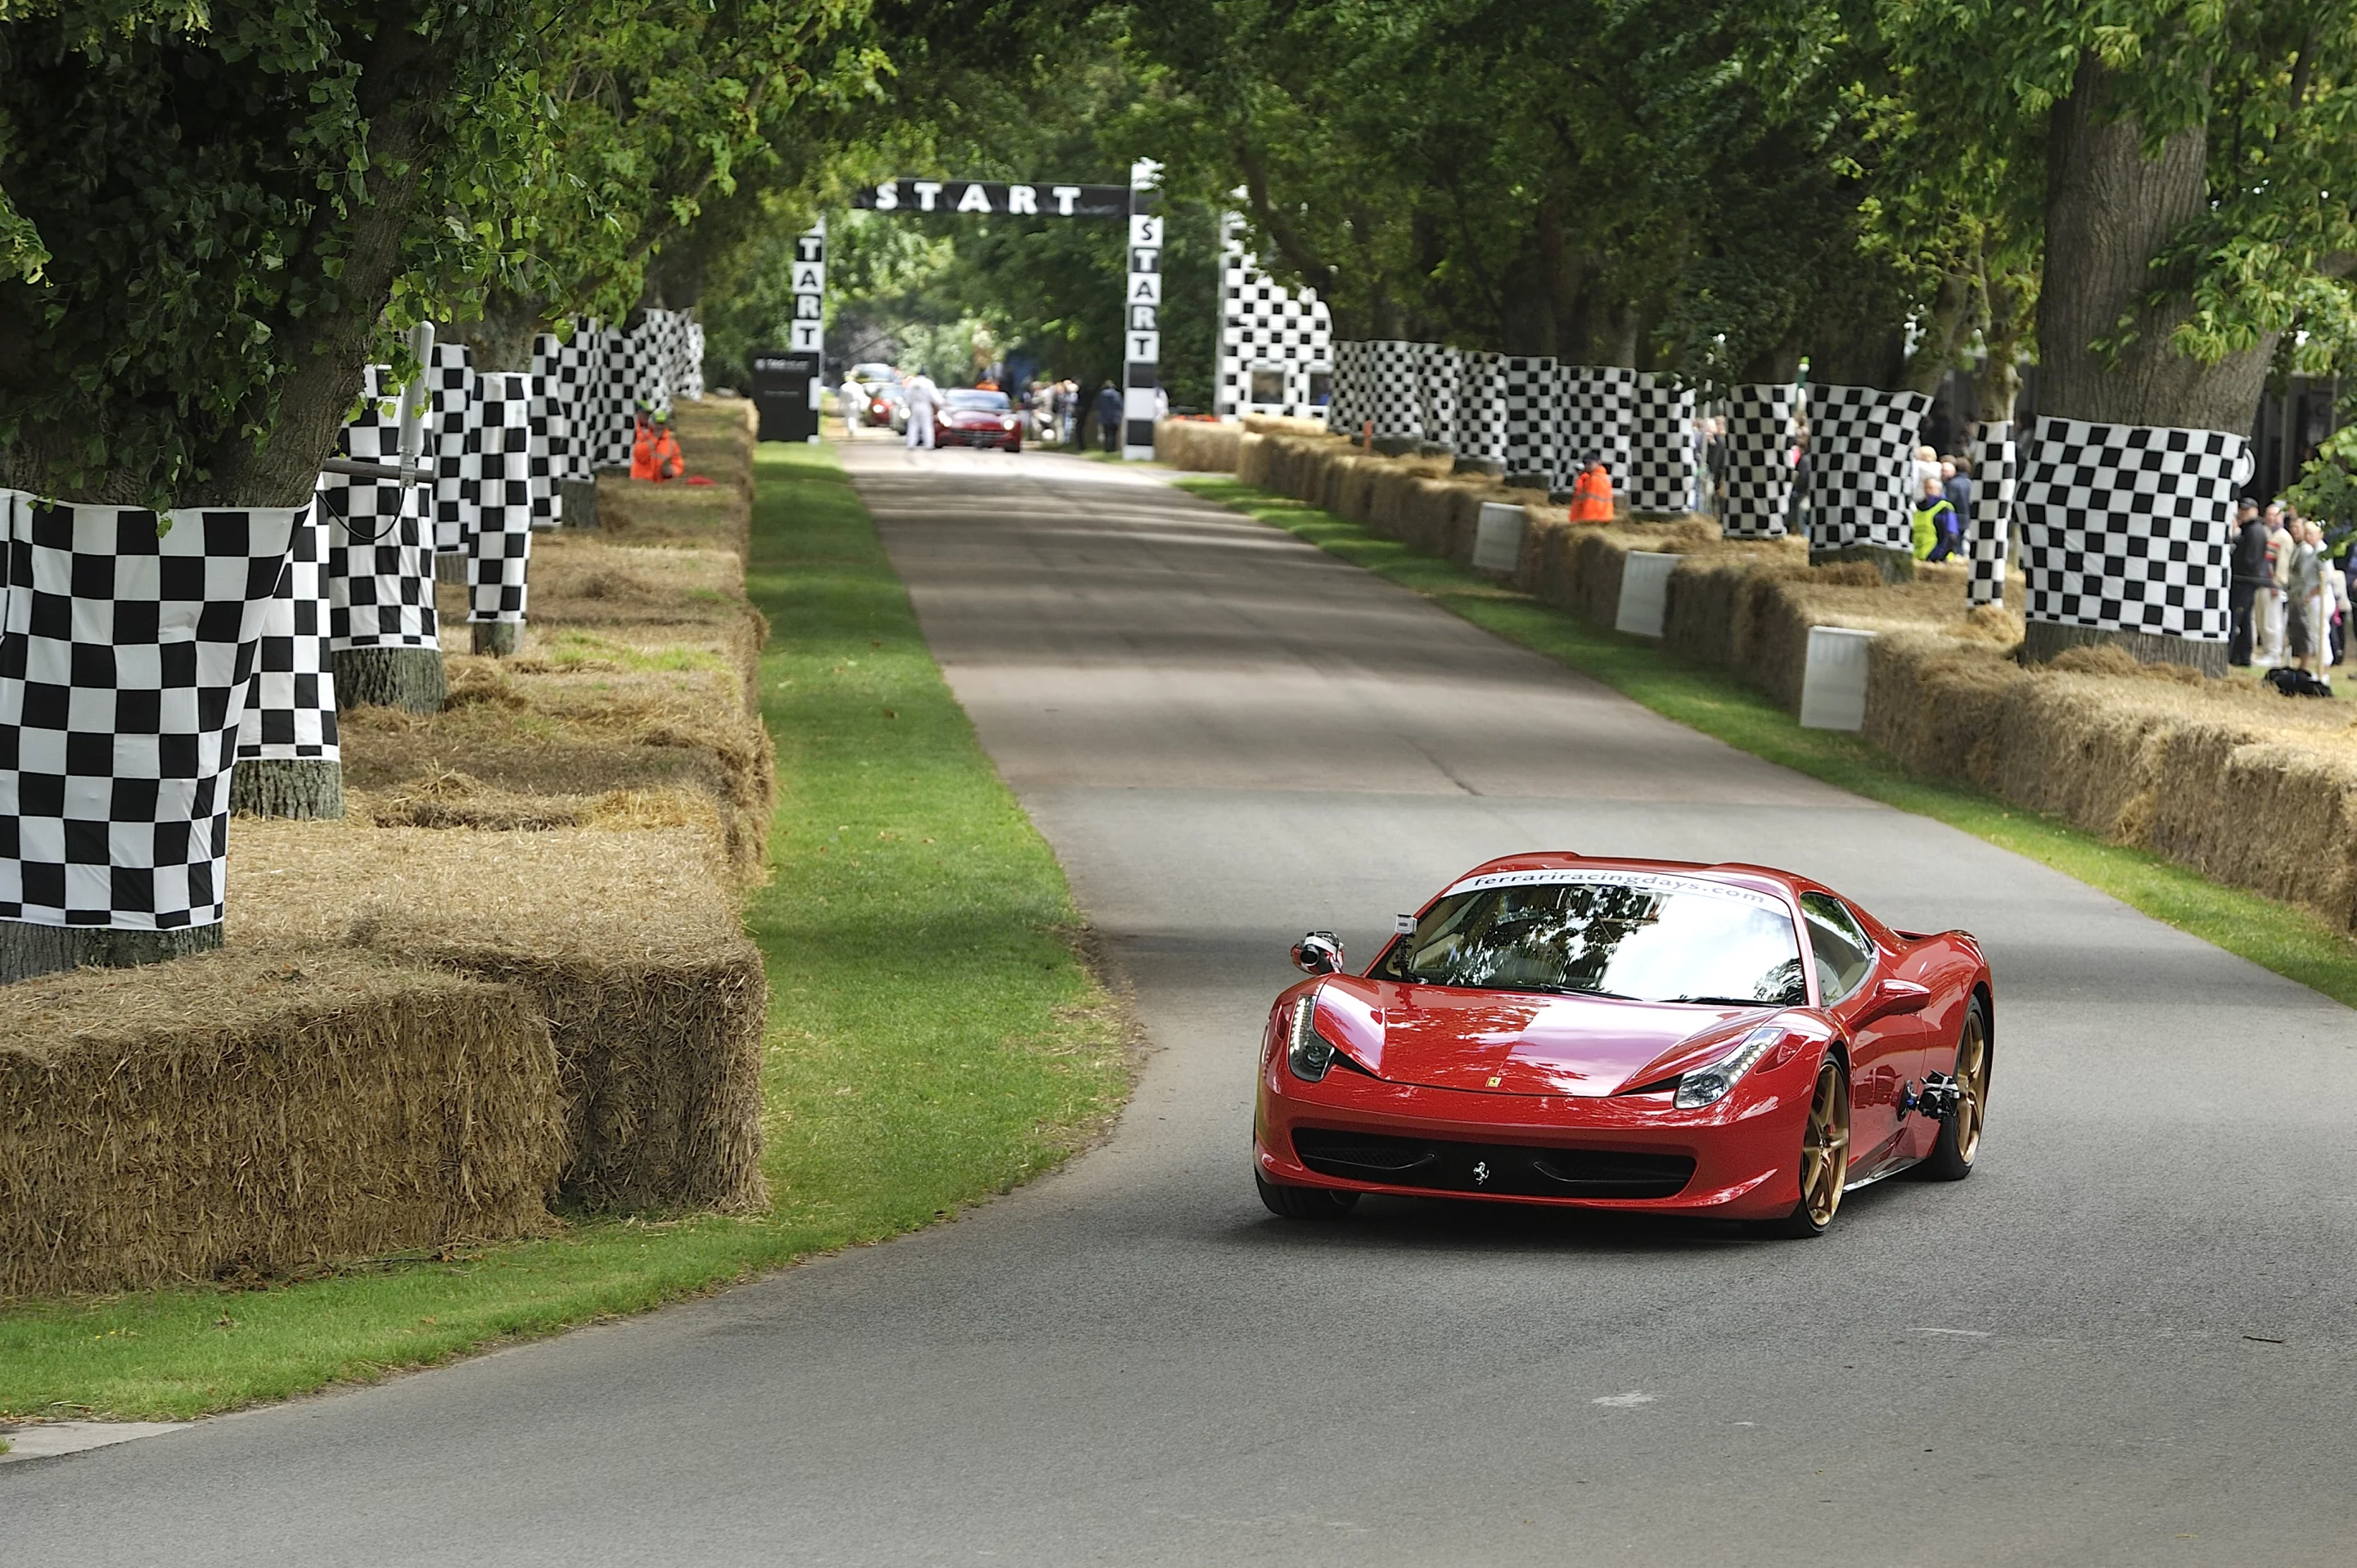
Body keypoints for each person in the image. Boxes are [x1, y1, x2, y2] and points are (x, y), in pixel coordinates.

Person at [2229, 500, 2268, 665]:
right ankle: (2242, 656)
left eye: (2246, 510)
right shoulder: (2252, 529)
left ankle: (2231, 653)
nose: (2243, 513)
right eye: (2241, 510)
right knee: (2244, 620)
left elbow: (2250, 559)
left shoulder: (2254, 531)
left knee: (2236, 618)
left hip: (2244, 579)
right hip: (2247, 579)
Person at [2262, 502, 2294, 667]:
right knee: (2262, 618)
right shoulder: (2266, 532)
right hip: (2263, 581)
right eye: (2269, 514)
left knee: (2273, 619)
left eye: (2275, 515)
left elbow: (2283, 564)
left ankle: (2274, 652)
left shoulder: (2284, 537)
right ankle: (2267, 650)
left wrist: (2278, 584)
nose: (2271, 518)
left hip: (2274, 583)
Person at [1913, 473, 1959, 561]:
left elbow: (1951, 536)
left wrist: (1937, 556)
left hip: (1936, 559)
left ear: (1938, 490)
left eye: (1931, 488)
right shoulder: (1918, 508)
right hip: (1918, 558)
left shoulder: (1944, 508)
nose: (1928, 491)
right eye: (1926, 488)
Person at [1566, 454, 1615, 522]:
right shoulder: (1599, 477)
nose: (1587, 466)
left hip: (1591, 519)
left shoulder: (1595, 479)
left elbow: (1593, 503)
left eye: (1589, 463)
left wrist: (1586, 520)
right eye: (1585, 463)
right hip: (1597, 518)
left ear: (1598, 463)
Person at [903, 372, 941, 449]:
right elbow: (934, 395)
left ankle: (911, 444)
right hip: (925, 406)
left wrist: (907, 405)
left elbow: (907, 395)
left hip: (914, 406)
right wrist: (942, 403)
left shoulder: (912, 383)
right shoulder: (928, 382)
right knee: (927, 425)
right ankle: (929, 445)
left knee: (913, 425)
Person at [1095, 381, 1124, 453]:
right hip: (1115, 416)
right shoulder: (1117, 394)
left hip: (1104, 416)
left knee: (1106, 433)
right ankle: (1113, 449)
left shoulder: (1102, 394)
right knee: (1114, 434)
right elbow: (1120, 405)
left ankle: (1107, 448)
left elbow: (1098, 405)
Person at [839, 373, 863, 439]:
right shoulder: (858, 386)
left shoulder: (844, 387)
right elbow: (861, 397)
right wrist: (861, 405)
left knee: (849, 417)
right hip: (855, 404)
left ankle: (851, 429)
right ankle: (853, 429)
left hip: (847, 404)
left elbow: (841, 397)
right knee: (855, 417)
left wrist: (841, 405)